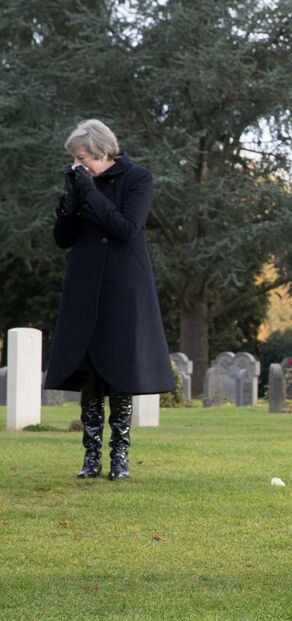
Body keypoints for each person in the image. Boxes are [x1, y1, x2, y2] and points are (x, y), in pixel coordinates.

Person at [45, 119, 174, 481]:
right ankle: (90, 457)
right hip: (84, 286)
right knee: (88, 373)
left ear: (103, 153)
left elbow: (126, 228)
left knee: (118, 371)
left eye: (83, 158)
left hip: (123, 288)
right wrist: (69, 203)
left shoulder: (138, 178)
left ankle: (119, 456)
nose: (77, 165)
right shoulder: (82, 181)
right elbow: (63, 238)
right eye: (75, 159)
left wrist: (90, 194)